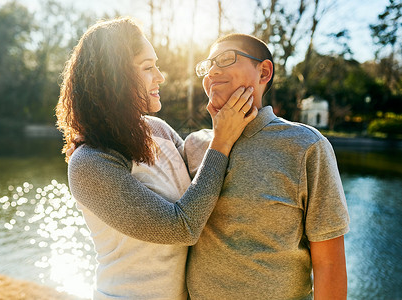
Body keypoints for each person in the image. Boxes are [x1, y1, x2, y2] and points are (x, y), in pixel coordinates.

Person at [55, 18, 257, 300]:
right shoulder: (90, 163)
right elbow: (182, 228)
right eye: (148, 67)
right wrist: (222, 140)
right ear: (114, 76)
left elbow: (204, 177)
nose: (160, 76)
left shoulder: (159, 129)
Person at [184, 33, 350, 299]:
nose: (213, 70)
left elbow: (329, 264)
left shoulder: (306, 146)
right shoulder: (193, 145)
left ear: (264, 72)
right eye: (208, 65)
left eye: (226, 59)